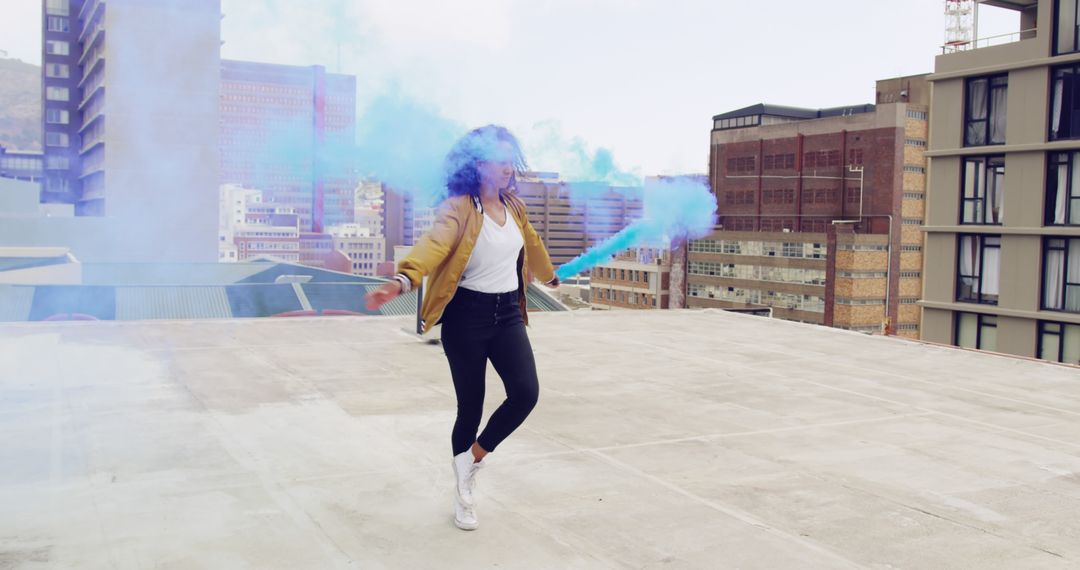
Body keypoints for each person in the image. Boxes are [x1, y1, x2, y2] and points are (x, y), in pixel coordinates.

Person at [365, 125, 559, 531]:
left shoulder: (515, 208)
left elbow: (534, 244)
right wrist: (403, 280)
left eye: (511, 159)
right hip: (465, 319)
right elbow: (434, 246)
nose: (507, 168)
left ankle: (472, 460)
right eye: (498, 160)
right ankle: (463, 492)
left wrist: (550, 277)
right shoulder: (458, 208)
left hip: (507, 315)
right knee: (470, 406)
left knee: (526, 393)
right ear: (477, 164)